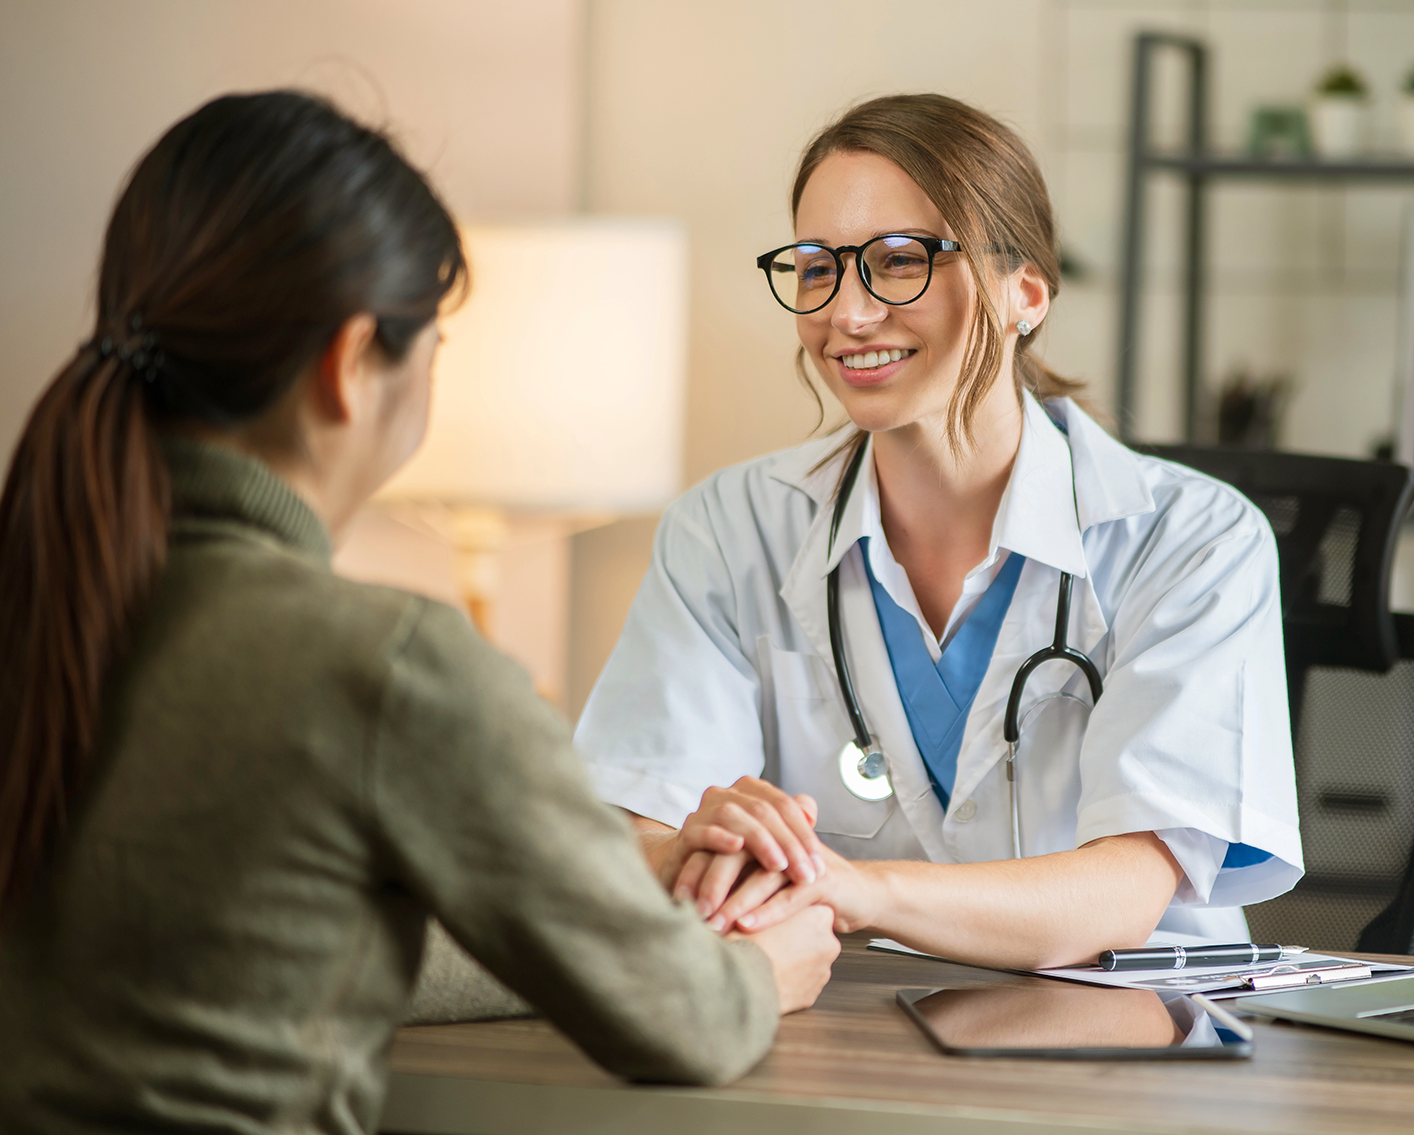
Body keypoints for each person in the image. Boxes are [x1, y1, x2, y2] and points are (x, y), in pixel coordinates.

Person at [0, 91, 838, 1134]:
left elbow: (304, 935)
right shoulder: (387, 664)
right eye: (433, 342)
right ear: (352, 364)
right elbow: (686, 1023)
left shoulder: (51, 597)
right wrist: (763, 965)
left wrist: (633, 874)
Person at [575, 94, 1302, 970]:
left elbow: (1127, 888)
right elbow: (638, 826)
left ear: (1022, 293)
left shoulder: (1194, 540)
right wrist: (690, 852)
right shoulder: (727, 530)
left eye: (896, 261)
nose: (846, 314)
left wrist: (852, 888)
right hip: (856, 1031)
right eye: (816, 268)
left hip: (1136, 1040)